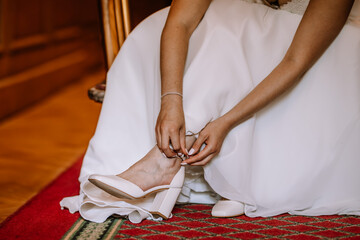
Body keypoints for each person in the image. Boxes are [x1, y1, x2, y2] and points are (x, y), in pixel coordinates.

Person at [61, 0, 360, 223]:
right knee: (205, 20)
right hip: (242, 37)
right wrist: (170, 100)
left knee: (231, 24)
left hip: (317, 51)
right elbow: (180, 22)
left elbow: (296, 61)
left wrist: (225, 122)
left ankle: (180, 166)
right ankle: (179, 160)